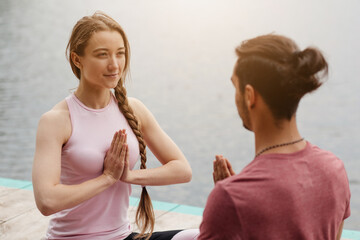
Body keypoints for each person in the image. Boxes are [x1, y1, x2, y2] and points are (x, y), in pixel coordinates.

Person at [32, 12, 199, 240]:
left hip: (122, 236)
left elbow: (182, 170)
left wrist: (129, 176)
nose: (114, 64)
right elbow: (46, 201)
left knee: (205, 236)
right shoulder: (56, 121)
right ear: (77, 59)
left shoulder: (133, 109)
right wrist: (106, 178)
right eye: (102, 55)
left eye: (120, 54)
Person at [198, 34, 351, 240]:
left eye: (235, 86)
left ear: (250, 96)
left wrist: (231, 200)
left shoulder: (230, 198)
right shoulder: (335, 170)